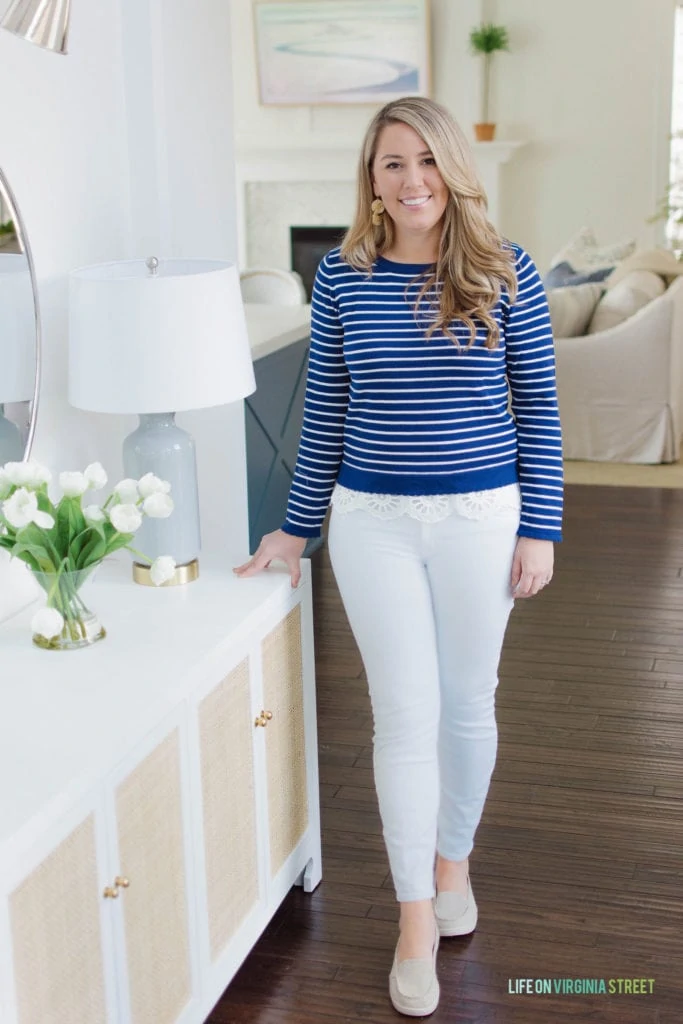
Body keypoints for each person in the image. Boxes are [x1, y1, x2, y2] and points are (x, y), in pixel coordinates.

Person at [234, 96, 563, 1018]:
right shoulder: (341, 278)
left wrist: (542, 526)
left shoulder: (507, 272)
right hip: (370, 523)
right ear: (371, 180)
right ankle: (415, 918)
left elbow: (537, 410)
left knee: (468, 703)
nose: (410, 179)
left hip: (479, 521)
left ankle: (452, 861)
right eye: (390, 164)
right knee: (402, 716)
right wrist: (293, 530)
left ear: (452, 169)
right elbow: (327, 415)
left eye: (424, 160)